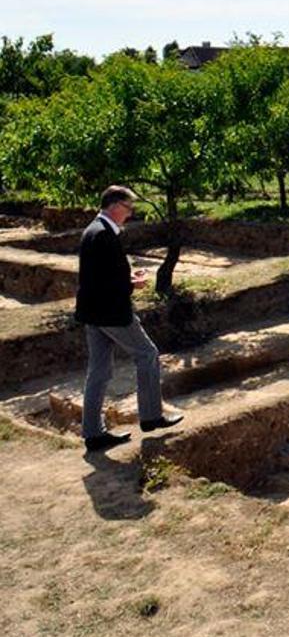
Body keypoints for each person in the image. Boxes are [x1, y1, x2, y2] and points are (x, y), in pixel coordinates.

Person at [77, 186, 182, 452]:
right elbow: (106, 282)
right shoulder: (102, 234)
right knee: (148, 354)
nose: (130, 213)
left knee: (99, 372)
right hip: (112, 312)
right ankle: (150, 417)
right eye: (128, 208)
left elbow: (99, 276)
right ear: (115, 206)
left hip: (93, 312)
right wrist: (132, 286)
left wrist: (126, 279)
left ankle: (93, 433)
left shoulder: (93, 230)